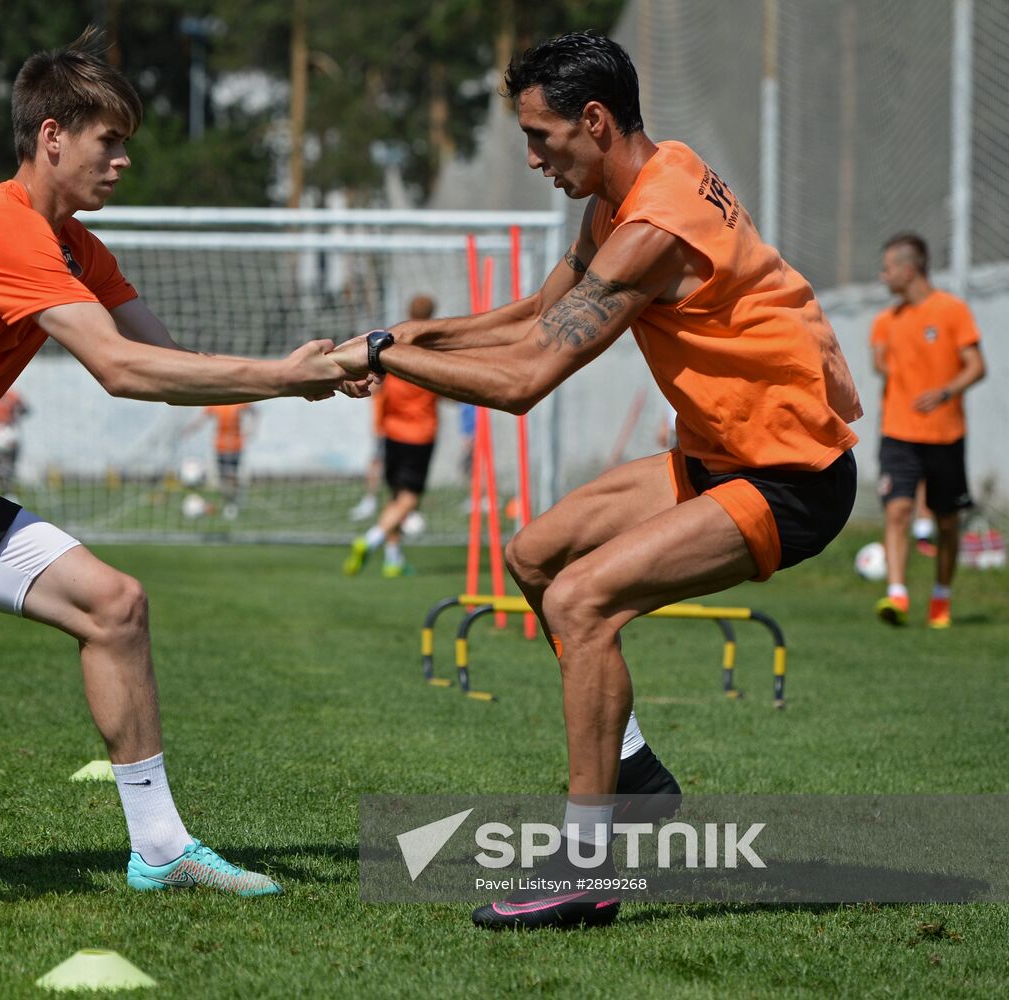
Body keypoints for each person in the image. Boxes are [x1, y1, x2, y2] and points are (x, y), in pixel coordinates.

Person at [0, 29, 358, 907]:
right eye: (107, 140)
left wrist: (297, 373)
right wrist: (285, 375)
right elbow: (122, 371)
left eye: (126, 143)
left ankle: (160, 847)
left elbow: (164, 362)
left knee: (114, 605)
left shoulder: (78, 249)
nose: (123, 161)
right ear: (52, 136)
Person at [329, 31, 862, 930]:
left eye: (542, 138)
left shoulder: (653, 228)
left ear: (595, 119)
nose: (534, 157)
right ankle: (639, 778)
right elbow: (539, 315)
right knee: (535, 555)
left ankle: (587, 865)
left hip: (792, 475)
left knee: (581, 602)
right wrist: (403, 341)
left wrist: (390, 359)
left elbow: (525, 381)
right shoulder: (645, 179)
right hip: (720, 457)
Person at [870, 232, 985, 628]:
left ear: (908, 269)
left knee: (947, 521)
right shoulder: (886, 321)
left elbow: (976, 365)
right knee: (898, 509)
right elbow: (880, 361)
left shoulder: (952, 311)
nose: (882, 277)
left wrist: (946, 390)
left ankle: (941, 597)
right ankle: (897, 594)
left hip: (945, 435)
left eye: (887, 269)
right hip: (898, 432)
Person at [343, 294, 439, 578]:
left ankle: (393, 559)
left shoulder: (392, 343)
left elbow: (380, 389)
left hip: (392, 432)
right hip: (419, 434)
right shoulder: (431, 349)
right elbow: (442, 387)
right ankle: (370, 540)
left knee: (395, 497)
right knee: (409, 499)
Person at [185, 402, 256, 519]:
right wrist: (191, 429)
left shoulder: (238, 402)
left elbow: (254, 411)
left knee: (232, 476)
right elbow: (203, 418)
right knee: (223, 478)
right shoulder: (217, 403)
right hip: (220, 446)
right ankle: (229, 501)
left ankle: (233, 504)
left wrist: (251, 428)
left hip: (235, 446)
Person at [0, 387, 29, 498]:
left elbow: (25, 409)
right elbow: (25, 410)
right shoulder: (7, 395)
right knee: (3, 468)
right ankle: (6, 492)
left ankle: (7, 493)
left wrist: (15, 413)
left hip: (3, 436)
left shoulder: (11, 395)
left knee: (5, 468)